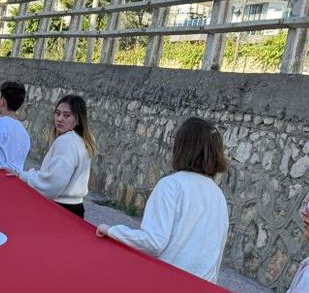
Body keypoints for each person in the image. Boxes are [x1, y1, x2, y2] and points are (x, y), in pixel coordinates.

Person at [95, 117, 230, 282]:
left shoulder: (171, 185)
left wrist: (112, 231)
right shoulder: (218, 196)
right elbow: (217, 254)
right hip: (202, 289)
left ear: (182, 147)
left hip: (168, 283)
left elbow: (153, 242)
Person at [18, 95, 95, 218]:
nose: (59, 119)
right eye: (57, 113)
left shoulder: (66, 142)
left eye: (67, 115)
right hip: (76, 209)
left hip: (60, 210)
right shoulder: (81, 141)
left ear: (78, 119)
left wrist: (22, 175)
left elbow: (52, 184)